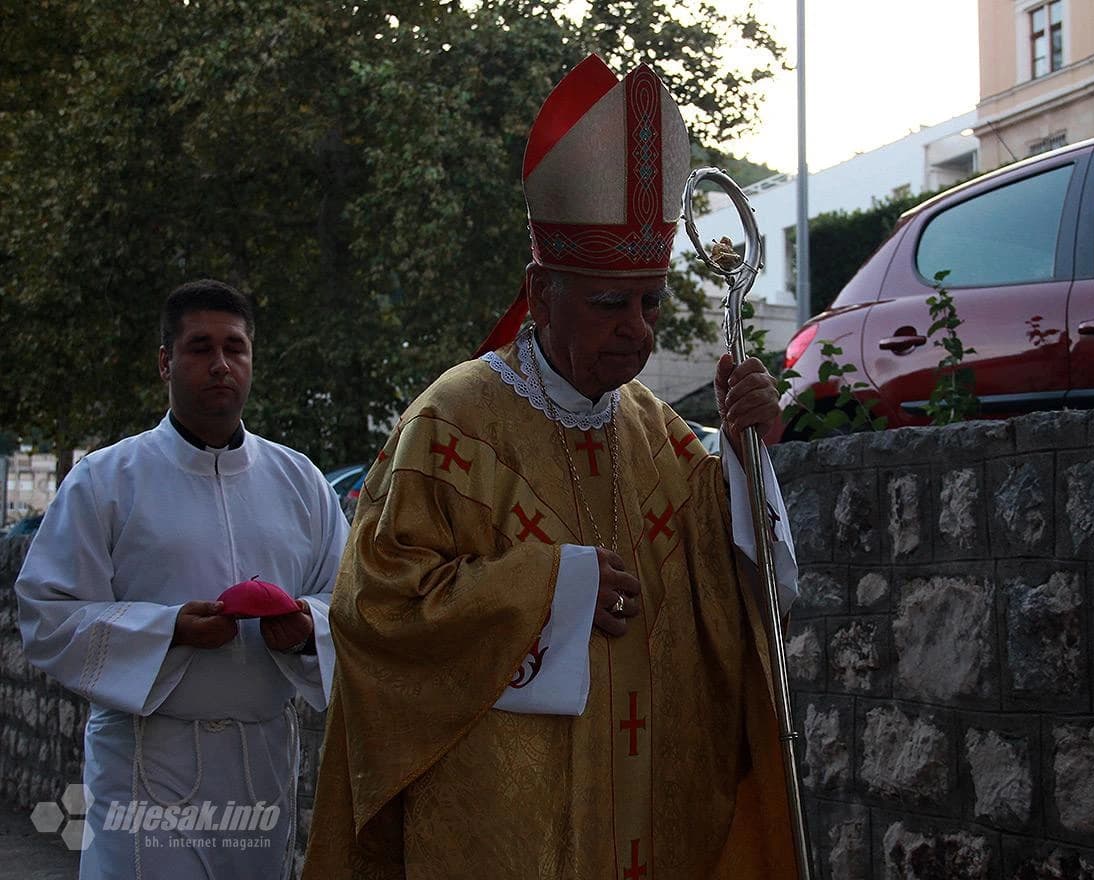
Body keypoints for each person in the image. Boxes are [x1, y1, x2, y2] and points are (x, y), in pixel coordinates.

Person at [304, 55, 800, 879]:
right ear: (541, 293)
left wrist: (747, 458)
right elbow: (373, 608)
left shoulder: (661, 434)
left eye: (650, 301)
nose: (637, 331)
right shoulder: (449, 425)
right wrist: (552, 591)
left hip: (648, 817)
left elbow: (731, 588)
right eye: (610, 303)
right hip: (507, 825)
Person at [15, 279, 350, 879]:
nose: (221, 364)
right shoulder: (107, 480)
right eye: (199, 347)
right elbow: (49, 613)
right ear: (165, 362)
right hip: (148, 761)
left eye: (235, 347)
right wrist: (167, 630)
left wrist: (305, 630)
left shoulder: (300, 482)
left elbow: (350, 603)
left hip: (260, 763)